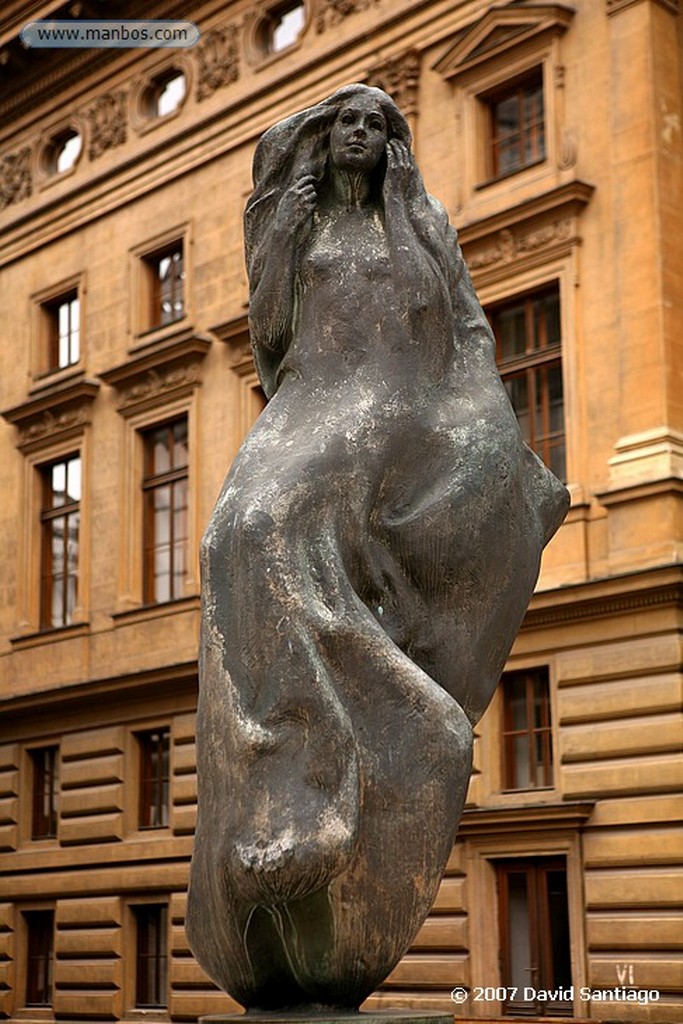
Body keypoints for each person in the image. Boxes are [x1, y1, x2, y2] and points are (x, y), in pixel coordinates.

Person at [187, 85, 568, 1011]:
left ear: (390, 143)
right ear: (325, 139)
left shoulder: (424, 223)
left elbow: (467, 330)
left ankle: (320, 797)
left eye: (376, 123)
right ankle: (288, 783)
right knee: (238, 533)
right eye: (346, 121)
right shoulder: (297, 220)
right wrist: (279, 230)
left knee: (269, 532)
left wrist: (483, 425)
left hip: (401, 409)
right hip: (314, 402)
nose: (360, 133)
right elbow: (270, 338)